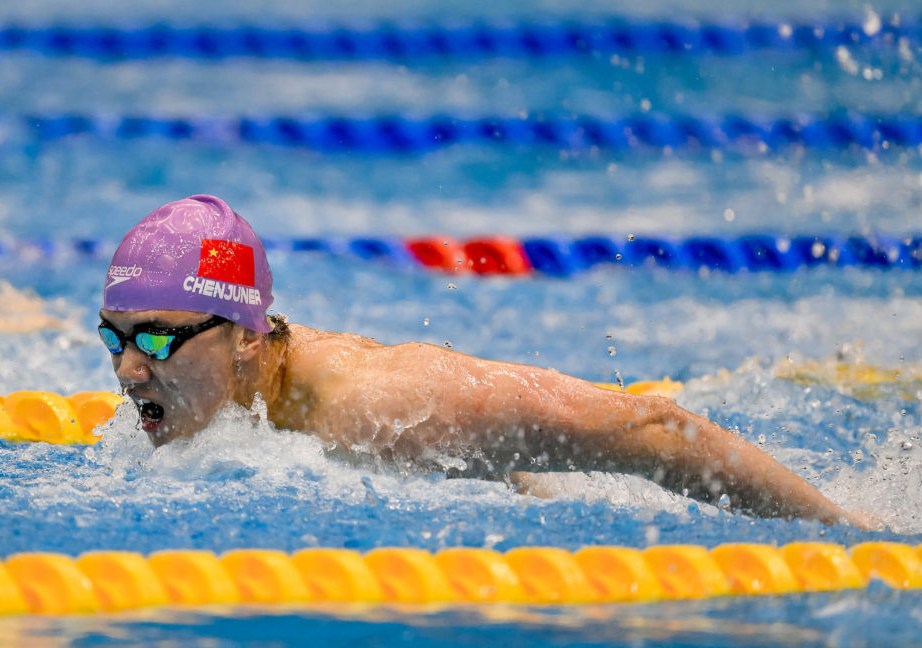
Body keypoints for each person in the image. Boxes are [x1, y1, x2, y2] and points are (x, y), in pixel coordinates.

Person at [99, 194, 867, 527]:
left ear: (246, 336)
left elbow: (655, 428)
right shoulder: (207, 409)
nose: (131, 371)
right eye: (115, 336)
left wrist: (848, 532)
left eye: (158, 338)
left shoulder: (384, 409)